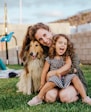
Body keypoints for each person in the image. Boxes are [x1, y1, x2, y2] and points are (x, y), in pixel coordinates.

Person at [20, 23, 88, 103]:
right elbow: (44, 70)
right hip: (54, 81)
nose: (44, 40)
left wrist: (55, 72)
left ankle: (80, 96)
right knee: (50, 97)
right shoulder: (45, 51)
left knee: (65, 97)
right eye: (40, 39)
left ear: (49, 31)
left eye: (45, 35)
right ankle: (49, 96)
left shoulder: (63, 43)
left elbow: (74, 68)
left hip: (71, 81)